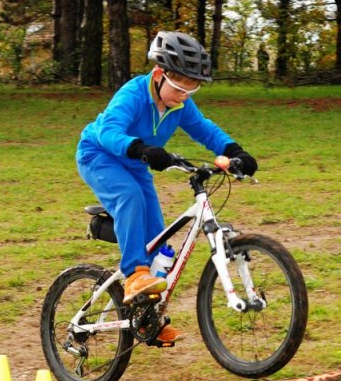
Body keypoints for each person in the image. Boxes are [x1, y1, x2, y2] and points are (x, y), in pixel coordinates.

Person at [76, 31, 258, 343]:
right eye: (178, 88)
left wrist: (234, 150)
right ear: (159, 75)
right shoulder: (133, 94)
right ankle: (134, 275)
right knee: (130, 197)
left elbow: (205, 130)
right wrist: (141, 149)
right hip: (100, 157)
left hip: (137, 163)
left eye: (191, 89)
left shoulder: (181, 104)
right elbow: (109, 131)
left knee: (160, 240)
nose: (184, 95)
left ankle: (147, 320)